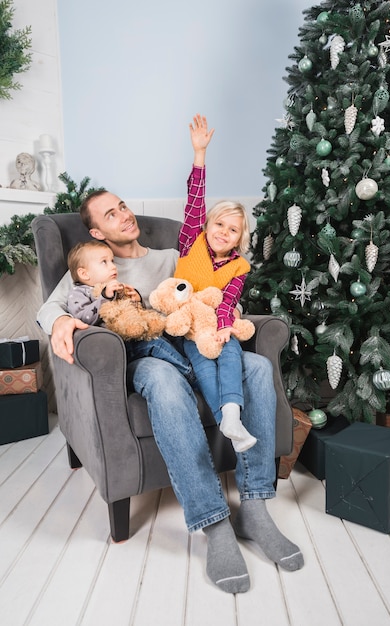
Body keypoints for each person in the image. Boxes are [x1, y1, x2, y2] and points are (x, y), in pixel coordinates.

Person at [37, 115, 304, 594]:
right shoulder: (96, 268)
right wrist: (60, 321)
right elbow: (54, 305)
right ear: (97, 234)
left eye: (122, 206)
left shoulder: (173, 254)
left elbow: (212, 280)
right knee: (163, 380)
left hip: (193, 343)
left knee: (260, 367)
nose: (123, 214)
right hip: (144, 359)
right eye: (111, 214)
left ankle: (257, 508)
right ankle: (214, 522)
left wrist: (225, 309)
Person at [175, 114, 256, 453]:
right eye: (219, 223)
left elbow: (229, 300)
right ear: (208, 225)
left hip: (216, 324)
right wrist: (200, 155)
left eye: (233, 229)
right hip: (189, 325)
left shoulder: (240, 266)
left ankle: (232, 417)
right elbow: (195, 199)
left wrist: (225, 328)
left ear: (240, 238)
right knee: (203, 363)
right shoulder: (191, 239)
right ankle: (226, 415)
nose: (224, 231)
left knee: (231, 352)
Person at [65, 239, 195, 382]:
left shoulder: (114, 286)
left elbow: (133, 313)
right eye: (104, 262)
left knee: (168, 335)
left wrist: (137, 300)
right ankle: (190, 374)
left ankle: (190, 365)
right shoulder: (78, 293)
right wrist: (105, 297)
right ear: (84, 274)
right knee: (155, 343)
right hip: (120, 346)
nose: (113, 267)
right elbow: (83, 318)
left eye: (112, 261)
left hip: (135, 335)